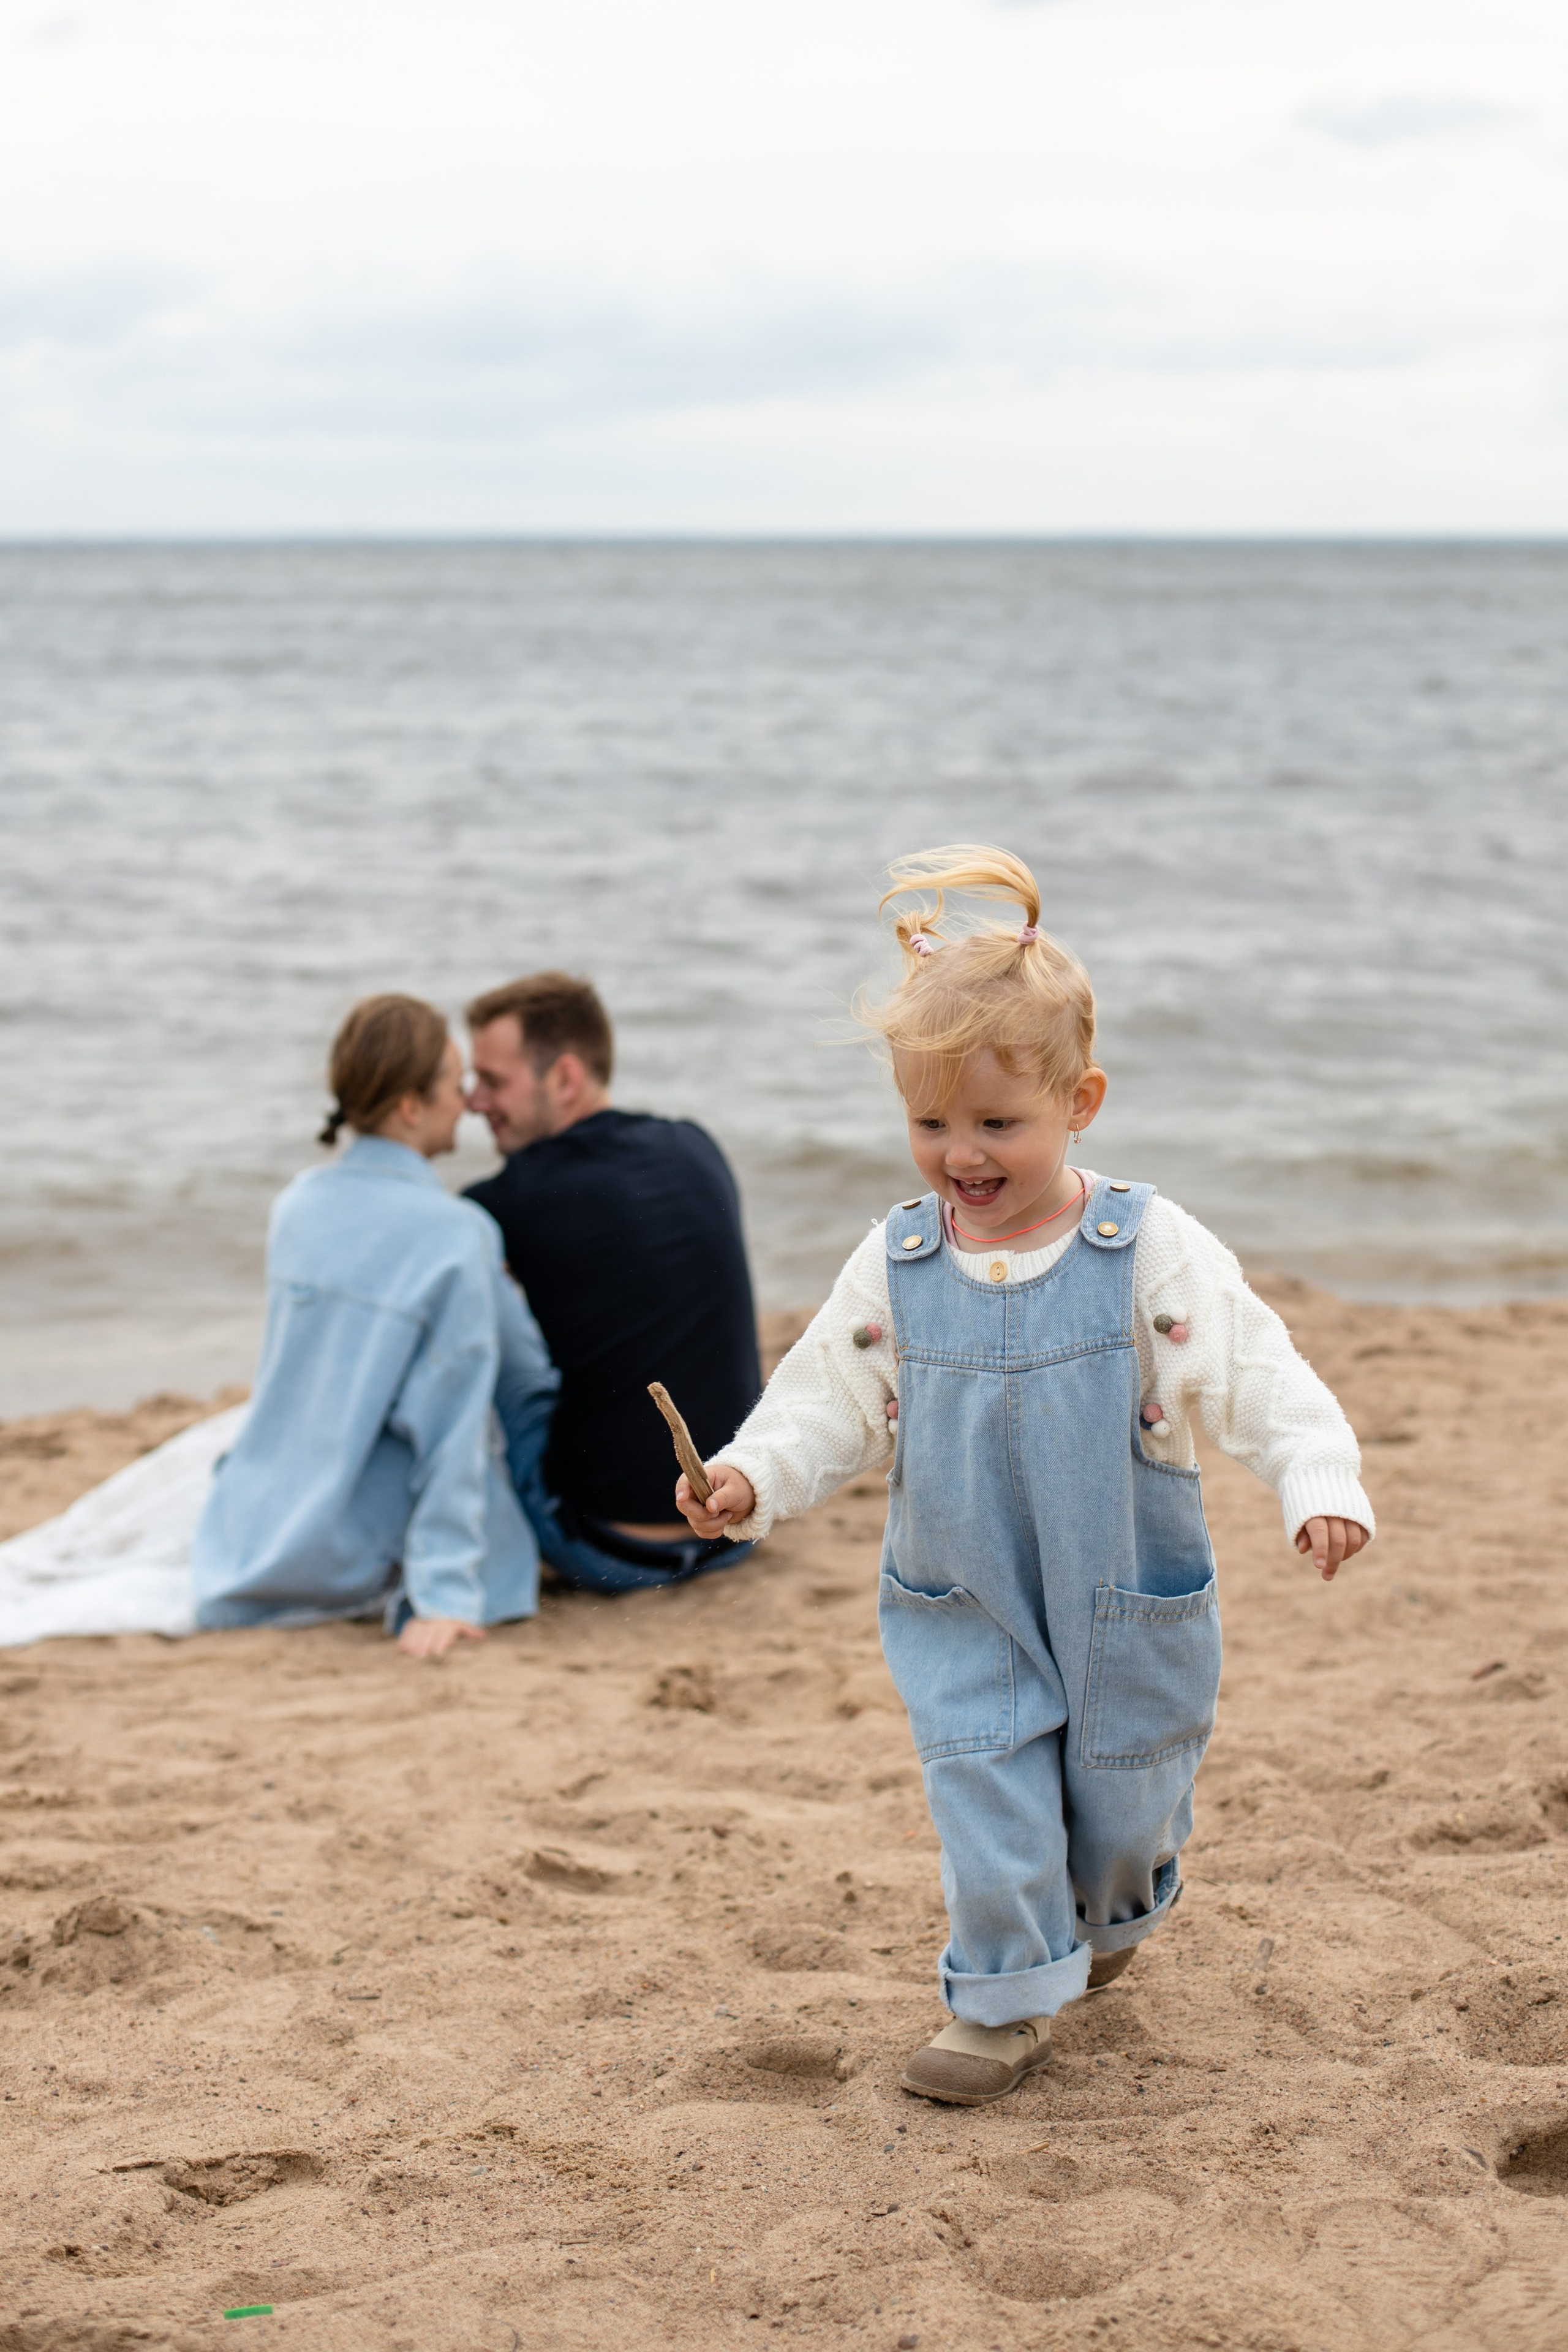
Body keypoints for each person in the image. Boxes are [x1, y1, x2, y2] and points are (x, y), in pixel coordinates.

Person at [675, 845, 1374, 2106]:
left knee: (1124, 1806)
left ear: (1080, 1099)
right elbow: (828, 1396)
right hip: (966, 1592)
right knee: (982, 1779)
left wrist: (1315, 1477)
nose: (962, 1154)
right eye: (930, 1124)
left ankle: (1109, 1914)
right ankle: (1000, 2002)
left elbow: (1258, 1370)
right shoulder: (898, 1262)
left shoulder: (1143, 1247)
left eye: (997, 1123)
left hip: (1122, 1595)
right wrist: (750, 1476)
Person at [192, 994, 558, 1658]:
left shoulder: (296, 1204)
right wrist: (444, 1593)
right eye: (456, 1084)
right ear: (411, 1106)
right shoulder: (457, 1233)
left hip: (259, 1520)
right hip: (353, 1535)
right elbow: (453, 1428)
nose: (467, 1102)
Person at [462, 971, 761, 1595]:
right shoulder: (695, 1147)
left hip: (606, 1546)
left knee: (485, 1317)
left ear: (564, 1078)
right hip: (736, 1528)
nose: (474, 1102)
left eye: (492, 1082)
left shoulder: (510, 1200)